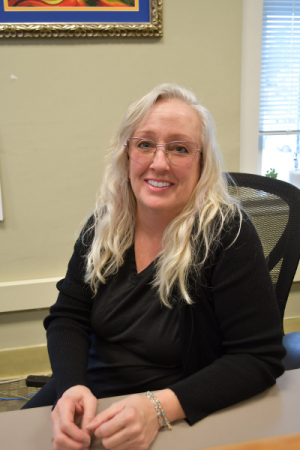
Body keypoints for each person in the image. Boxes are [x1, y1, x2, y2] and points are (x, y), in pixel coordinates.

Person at [23, 83, 285, 450]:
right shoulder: (106, 223)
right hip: (91, 394)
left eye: (180, 148)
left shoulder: (227, 235)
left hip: (172, 405)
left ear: (202, 162)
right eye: (145, 144)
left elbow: (258, 358)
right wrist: (70, 386)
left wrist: (158, 408)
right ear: (126, 153)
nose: (159, 163)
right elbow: (69, 315)